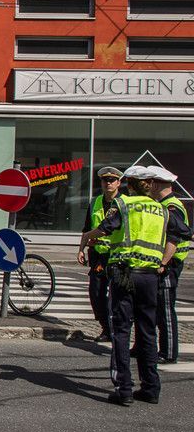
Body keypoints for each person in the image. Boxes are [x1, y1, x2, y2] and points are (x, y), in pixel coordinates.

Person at [78, 165, 177, 406]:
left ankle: (124, 389)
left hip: (124, 273)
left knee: (121, 331)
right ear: (149, 185)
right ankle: (151, 388)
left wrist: (88, 237)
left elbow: (105, 228)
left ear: (128, 185)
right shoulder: (161, 209)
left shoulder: (125, 204)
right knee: (147, 331)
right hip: (150, 276)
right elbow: (183, 233)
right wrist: (163, 261)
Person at [147, 165, 192, 364]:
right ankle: (150, 347)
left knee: (165, 309)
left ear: (156, 185)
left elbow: (173, 239)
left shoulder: (171, 207)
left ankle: (168, 352)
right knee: (156, 308)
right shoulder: (164, 204)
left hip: (169, 265)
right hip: (165, 263)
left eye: (149, 183)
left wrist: (163, 263)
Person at [77, 166, 123, 342]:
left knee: (117, 295)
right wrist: (81, 249)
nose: (108, 183)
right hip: (98, 256)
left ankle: (117, 328)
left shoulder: (124, 203)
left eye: (112, 180)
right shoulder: (95, 202)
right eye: (105, 180)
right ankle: (106, 327)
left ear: (118, 183)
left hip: (117, 255)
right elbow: (87, 228)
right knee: (96, 293)